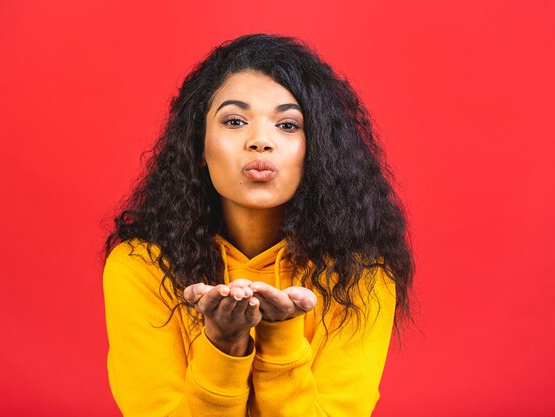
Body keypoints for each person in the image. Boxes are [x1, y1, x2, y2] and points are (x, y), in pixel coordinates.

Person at [103, 33, 413, 417]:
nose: (260, 141)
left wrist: (280, 337)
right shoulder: (140, 268)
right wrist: (223, 346)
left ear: (316, 150)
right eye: (234, 121)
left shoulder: (361, 277)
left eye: (287, 125)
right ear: (198, 146)